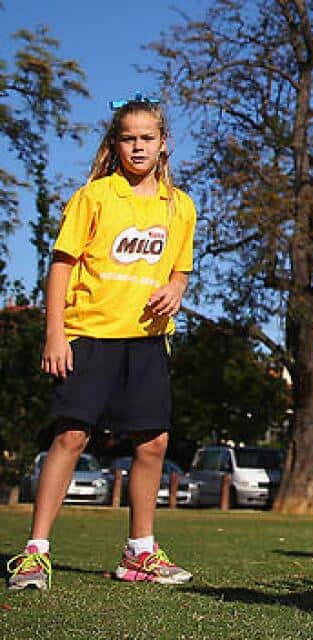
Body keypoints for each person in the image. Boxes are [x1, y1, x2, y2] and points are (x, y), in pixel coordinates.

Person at [7, 94, 196, 591]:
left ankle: (139, 553)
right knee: (71, 436)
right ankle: (35, 554)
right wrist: (55, 334)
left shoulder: (180, 207)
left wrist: (176, 290)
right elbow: (62, 266)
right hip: (89, 335)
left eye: (147, 138)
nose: (138, 147)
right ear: (115, 143)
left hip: (148, 342)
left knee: (154, 442)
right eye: (128, 138)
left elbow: (180, 271)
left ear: (163, 144)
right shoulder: (93, 197)